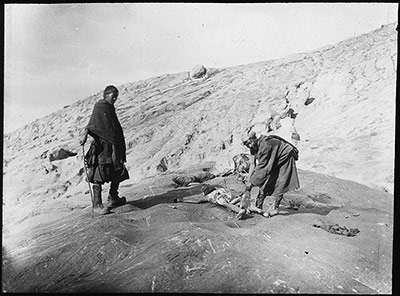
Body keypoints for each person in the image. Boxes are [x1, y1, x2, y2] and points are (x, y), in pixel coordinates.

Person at [79, 85, 129, 215]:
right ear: (106, 95)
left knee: (118, 170)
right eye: (114, 96)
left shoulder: (110, 108)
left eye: (116, 96)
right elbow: (91, 125)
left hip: (113, 147)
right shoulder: (100, 106)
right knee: (99, 174)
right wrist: (85, 134)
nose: (115, 98)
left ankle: (113, 197)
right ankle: (97, 205)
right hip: (102, 148)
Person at [243, 125, 300, 217]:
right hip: (273, 157)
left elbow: (264, 168)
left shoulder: (265, 145)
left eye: (249, 141)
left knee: (281, 181)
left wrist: (252, 182)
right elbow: (252, 164)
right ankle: (259, 205)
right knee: (266, 179)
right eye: (245, 143)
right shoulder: (252, 147)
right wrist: (249, 180)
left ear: (254, 139)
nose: (248, 144)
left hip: (285, 156)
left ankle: (275, 208)